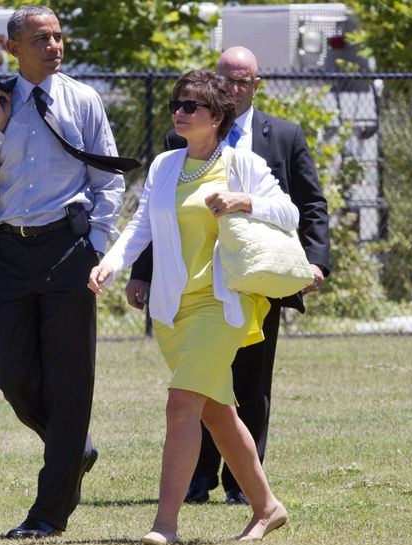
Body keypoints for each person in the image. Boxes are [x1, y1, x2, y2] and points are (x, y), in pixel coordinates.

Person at [89, 68, 291, 545]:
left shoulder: (243, 164)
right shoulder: (164, 165)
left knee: (181, 405)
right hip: (172, 310)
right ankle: (267, 507)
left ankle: (165, 524)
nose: (180, 112)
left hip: (221, 306)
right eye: (178, 104)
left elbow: (290, 213)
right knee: (217, 413)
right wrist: (111, 264)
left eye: (191, 106)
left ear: (218, 116)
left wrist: (244, 201)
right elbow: (142, 225)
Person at [0, 5, 132, 539]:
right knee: (13, 377)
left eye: (57, 37)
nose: (54, 46)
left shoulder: (83, 99)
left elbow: (109, 182)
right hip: (10, 254)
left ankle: (48, 514)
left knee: (71, 385)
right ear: (12, 48)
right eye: (40, 39)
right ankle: (75, 446)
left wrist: (95, 247)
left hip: (67, 252)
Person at [127, 46, 331, 505]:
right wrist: (139, 272)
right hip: (189, 289)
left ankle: (239, 490)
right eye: (227, 80)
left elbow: (308, 205)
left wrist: (315, 262)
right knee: (210, 394)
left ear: (256, 85)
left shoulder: (282, 135)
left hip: (253, 280)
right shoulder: (174, 148)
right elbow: (158, 218)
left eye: (243, 81)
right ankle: (202, 482)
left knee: (250, 383)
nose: (235, 88)